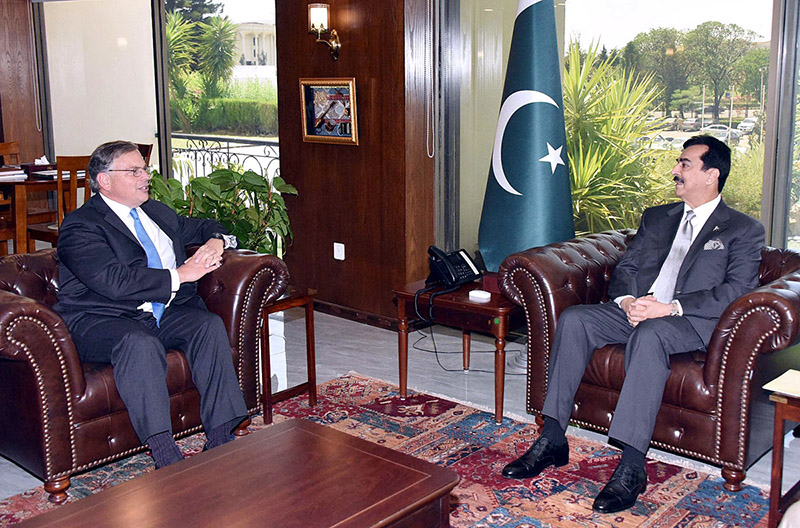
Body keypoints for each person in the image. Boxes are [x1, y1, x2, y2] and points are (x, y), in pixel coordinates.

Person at [501, 135, 765, 513]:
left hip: (688, 321)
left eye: (685, 164)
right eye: (678, 163)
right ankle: (553, 437)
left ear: (712, 175)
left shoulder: (742, 229)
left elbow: (735, 291)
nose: (676, 170)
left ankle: (631, 466)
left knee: (651, 333)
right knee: (575, 320)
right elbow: (626, 266)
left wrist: (669, 307)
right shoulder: (658, 217)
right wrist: (627, 301)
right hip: (638, 310)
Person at [54, 140, 248, 469]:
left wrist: (216, 240)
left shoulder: (156, 213)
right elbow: (114, 282)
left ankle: (220, 436)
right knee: (140, 344)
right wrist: (180, 274)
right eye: (134, 171)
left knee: (207, 326)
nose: (145, 176)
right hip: (101, 317)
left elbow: (205, 226)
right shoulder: (80, 226)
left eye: (144, 169)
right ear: (104, 180)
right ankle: (164, 452)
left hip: (159, 310)